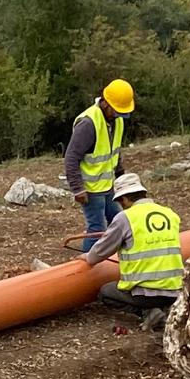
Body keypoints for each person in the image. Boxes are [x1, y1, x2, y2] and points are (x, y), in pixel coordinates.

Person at [80, 173, 182, 331]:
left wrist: (87, 257)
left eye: (121, 201)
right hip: (175, 290)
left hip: (145, 295)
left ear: (125, 198)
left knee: (106, 292)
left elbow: (98, 253)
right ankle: (165, 309)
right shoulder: (170, 214)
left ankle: (149, 312)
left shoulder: (125, 218)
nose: (121, 205)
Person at [65, 79, 135, 252]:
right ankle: (86, 270)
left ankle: (122, 259)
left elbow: (114, 152)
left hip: (108, 186)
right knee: (96, 229)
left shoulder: (117, 121)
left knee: (121, 221)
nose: (119, 115)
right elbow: (71, 157)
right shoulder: (88, 123)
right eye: (117, 111)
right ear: (105, 103)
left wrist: (121, 179)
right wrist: (77, 189)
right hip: (91, 189)